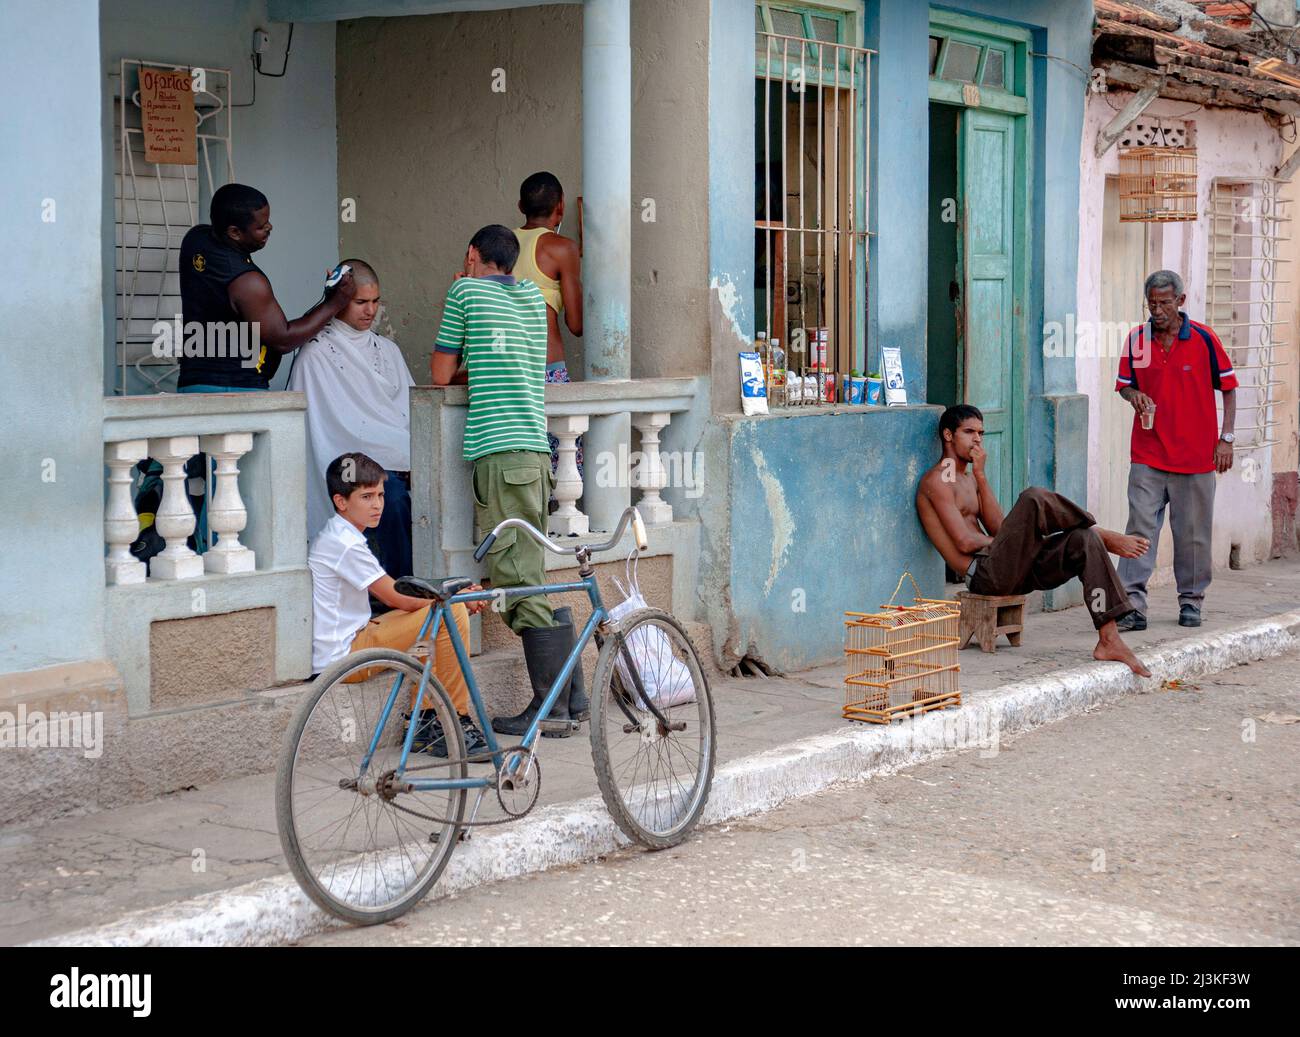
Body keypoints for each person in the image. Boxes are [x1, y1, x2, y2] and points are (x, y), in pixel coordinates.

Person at [430, 225, 588, 735]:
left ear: (473, 254)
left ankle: (551, 710)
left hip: (499, 456)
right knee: (529, 574)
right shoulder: (529, 300)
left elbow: (440, 373)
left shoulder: (464, 291)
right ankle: (571, 702)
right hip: (537, 456)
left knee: (517, 583)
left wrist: (458, 288)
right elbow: (509, 360)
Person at [916, 405, 1152, 677]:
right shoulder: (937, 481)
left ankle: (1109, 639)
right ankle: (1101, 532)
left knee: (1083, 540)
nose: (977, 439)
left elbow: (1000, 528)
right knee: (1033, 498)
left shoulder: (970, 480)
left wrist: (981, 477)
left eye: (981, 433)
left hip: (1013, 568)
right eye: (969, 432)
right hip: (985, 574)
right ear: (948, 435)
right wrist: (1026, 541)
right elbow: (965, 541)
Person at [309, 452, 488, 758]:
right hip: (346, 657)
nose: (377, 504)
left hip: (354, 641)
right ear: (341, 502)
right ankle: (448, 720)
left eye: (379, 494)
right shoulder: (344, 543)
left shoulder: (341, 535)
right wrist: (456, 598)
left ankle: (426, 722)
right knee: (450, 612)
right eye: (366, 496)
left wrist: (447, 596)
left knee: (437, 617)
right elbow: (395, 596)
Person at [1114, 270, 1238, 631]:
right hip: (1148, 454)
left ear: (1181, 301)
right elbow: (1124, 386)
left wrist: (1226, 439)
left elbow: (1228, 388)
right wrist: (1132, 395)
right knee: (1139, 529)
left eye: (1165, 303)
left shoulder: (1203, 338)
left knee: (1193, 532)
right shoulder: (1137, 340)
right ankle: (1132, 605)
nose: (1157, 310)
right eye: (1152, 303)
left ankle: (1191, 601)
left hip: (1196, 456)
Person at [288, 260, 415, 584]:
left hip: (398, 457)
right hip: (349, 465)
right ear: (340, 300)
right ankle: (401, 588)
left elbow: (411, 411)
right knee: (393, 498)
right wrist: (392, 456)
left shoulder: (388, 350)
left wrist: (409, 454)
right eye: (361, 302)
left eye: (375, 301)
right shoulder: (315, 354)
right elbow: (328, 428)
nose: (370, 311)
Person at [178, 183, 355, 391]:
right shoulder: (248, 282)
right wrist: (335, 303)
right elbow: (283, 340)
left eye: (268, 221)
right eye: (261, 227)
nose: (269, 228)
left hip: (192, 383)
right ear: (234, 232)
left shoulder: (195, 239)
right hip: (235, 391)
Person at [513, 171, 585, 489]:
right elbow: (576, 324)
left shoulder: (499, 244)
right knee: (557, 475)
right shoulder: (562, 248)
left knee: (521, 465)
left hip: (507, 371)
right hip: (546, 370)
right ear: (561, 207)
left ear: (520, 206)